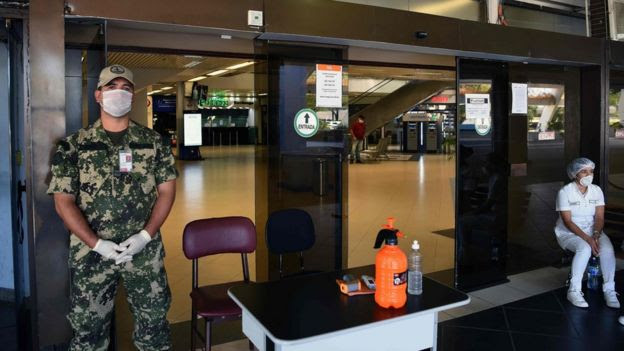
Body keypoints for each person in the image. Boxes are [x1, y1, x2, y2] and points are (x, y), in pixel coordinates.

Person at [47, 64, 178, 350]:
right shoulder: (73, 146)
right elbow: (63, 202)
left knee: (154, 328)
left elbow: (167, 191)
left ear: (133, 96)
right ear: (98, 95)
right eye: (111, 87)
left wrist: (145, 236)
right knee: (88, 334)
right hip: (91, 257)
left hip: (144, 254)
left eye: (126, 88)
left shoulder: (153, 143)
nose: (119, 93)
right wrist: (97, 245)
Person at [554, 158, 619, 309]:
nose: (589, 175)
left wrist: (595, 235)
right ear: (574, 174)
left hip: (593, 230)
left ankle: (609, 290)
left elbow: (600, 217)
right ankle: (574, 290)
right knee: (584, 248)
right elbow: (568, 222)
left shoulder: (596, 190)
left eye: (591, 171)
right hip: (568, 233)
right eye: (584, 171)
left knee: (607, 250)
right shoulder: (565, 192)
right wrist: (589, 240)